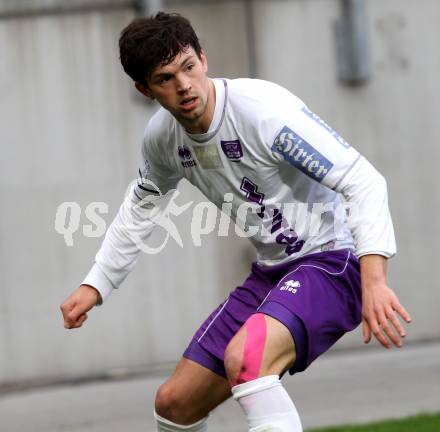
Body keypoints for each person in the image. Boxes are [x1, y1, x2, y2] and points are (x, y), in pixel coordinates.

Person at [60, 12, 412, 432]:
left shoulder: (262, 112)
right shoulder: (163, 140)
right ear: (144, 89)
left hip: (335, 261)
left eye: (188, 67)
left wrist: (374, 281)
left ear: (204, 59)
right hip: (271, 272)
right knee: (175, 403)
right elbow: (141, 208)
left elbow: (363, 180)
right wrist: (95, 283)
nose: (184, 85)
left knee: (247, 358)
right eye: (165, 78)